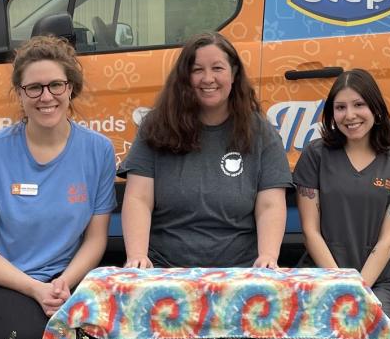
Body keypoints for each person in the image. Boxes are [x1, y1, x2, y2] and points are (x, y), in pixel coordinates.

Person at [0, 35, 116, 339]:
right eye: (34, 88)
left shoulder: (98, 150)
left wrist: (64, 283)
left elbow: (96, 238)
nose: (46, 97)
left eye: (56, 85)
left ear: (71, 88)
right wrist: (36, 289)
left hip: (63, 280)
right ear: (19, 94)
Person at [119, 32, 291, 269]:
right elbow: (139, 197)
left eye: (217, 68)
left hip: (239, 271)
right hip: (165, 269)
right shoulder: (156, 127)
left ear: (234, 73)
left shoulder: (261, 133)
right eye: (197, 69)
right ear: (185, 77)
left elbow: (270, 205)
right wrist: (136, 256)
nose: (207, 78)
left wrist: (268, 256)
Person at [294, 69, 390, 339]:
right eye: (341, 107)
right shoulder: (315, 155)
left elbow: (388, 241)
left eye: (359, 105)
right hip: (322, 275)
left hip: (377, 281)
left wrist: (358, 291)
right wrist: (340, 285)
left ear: (376, 108)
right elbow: (310, 232)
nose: (350, 115)